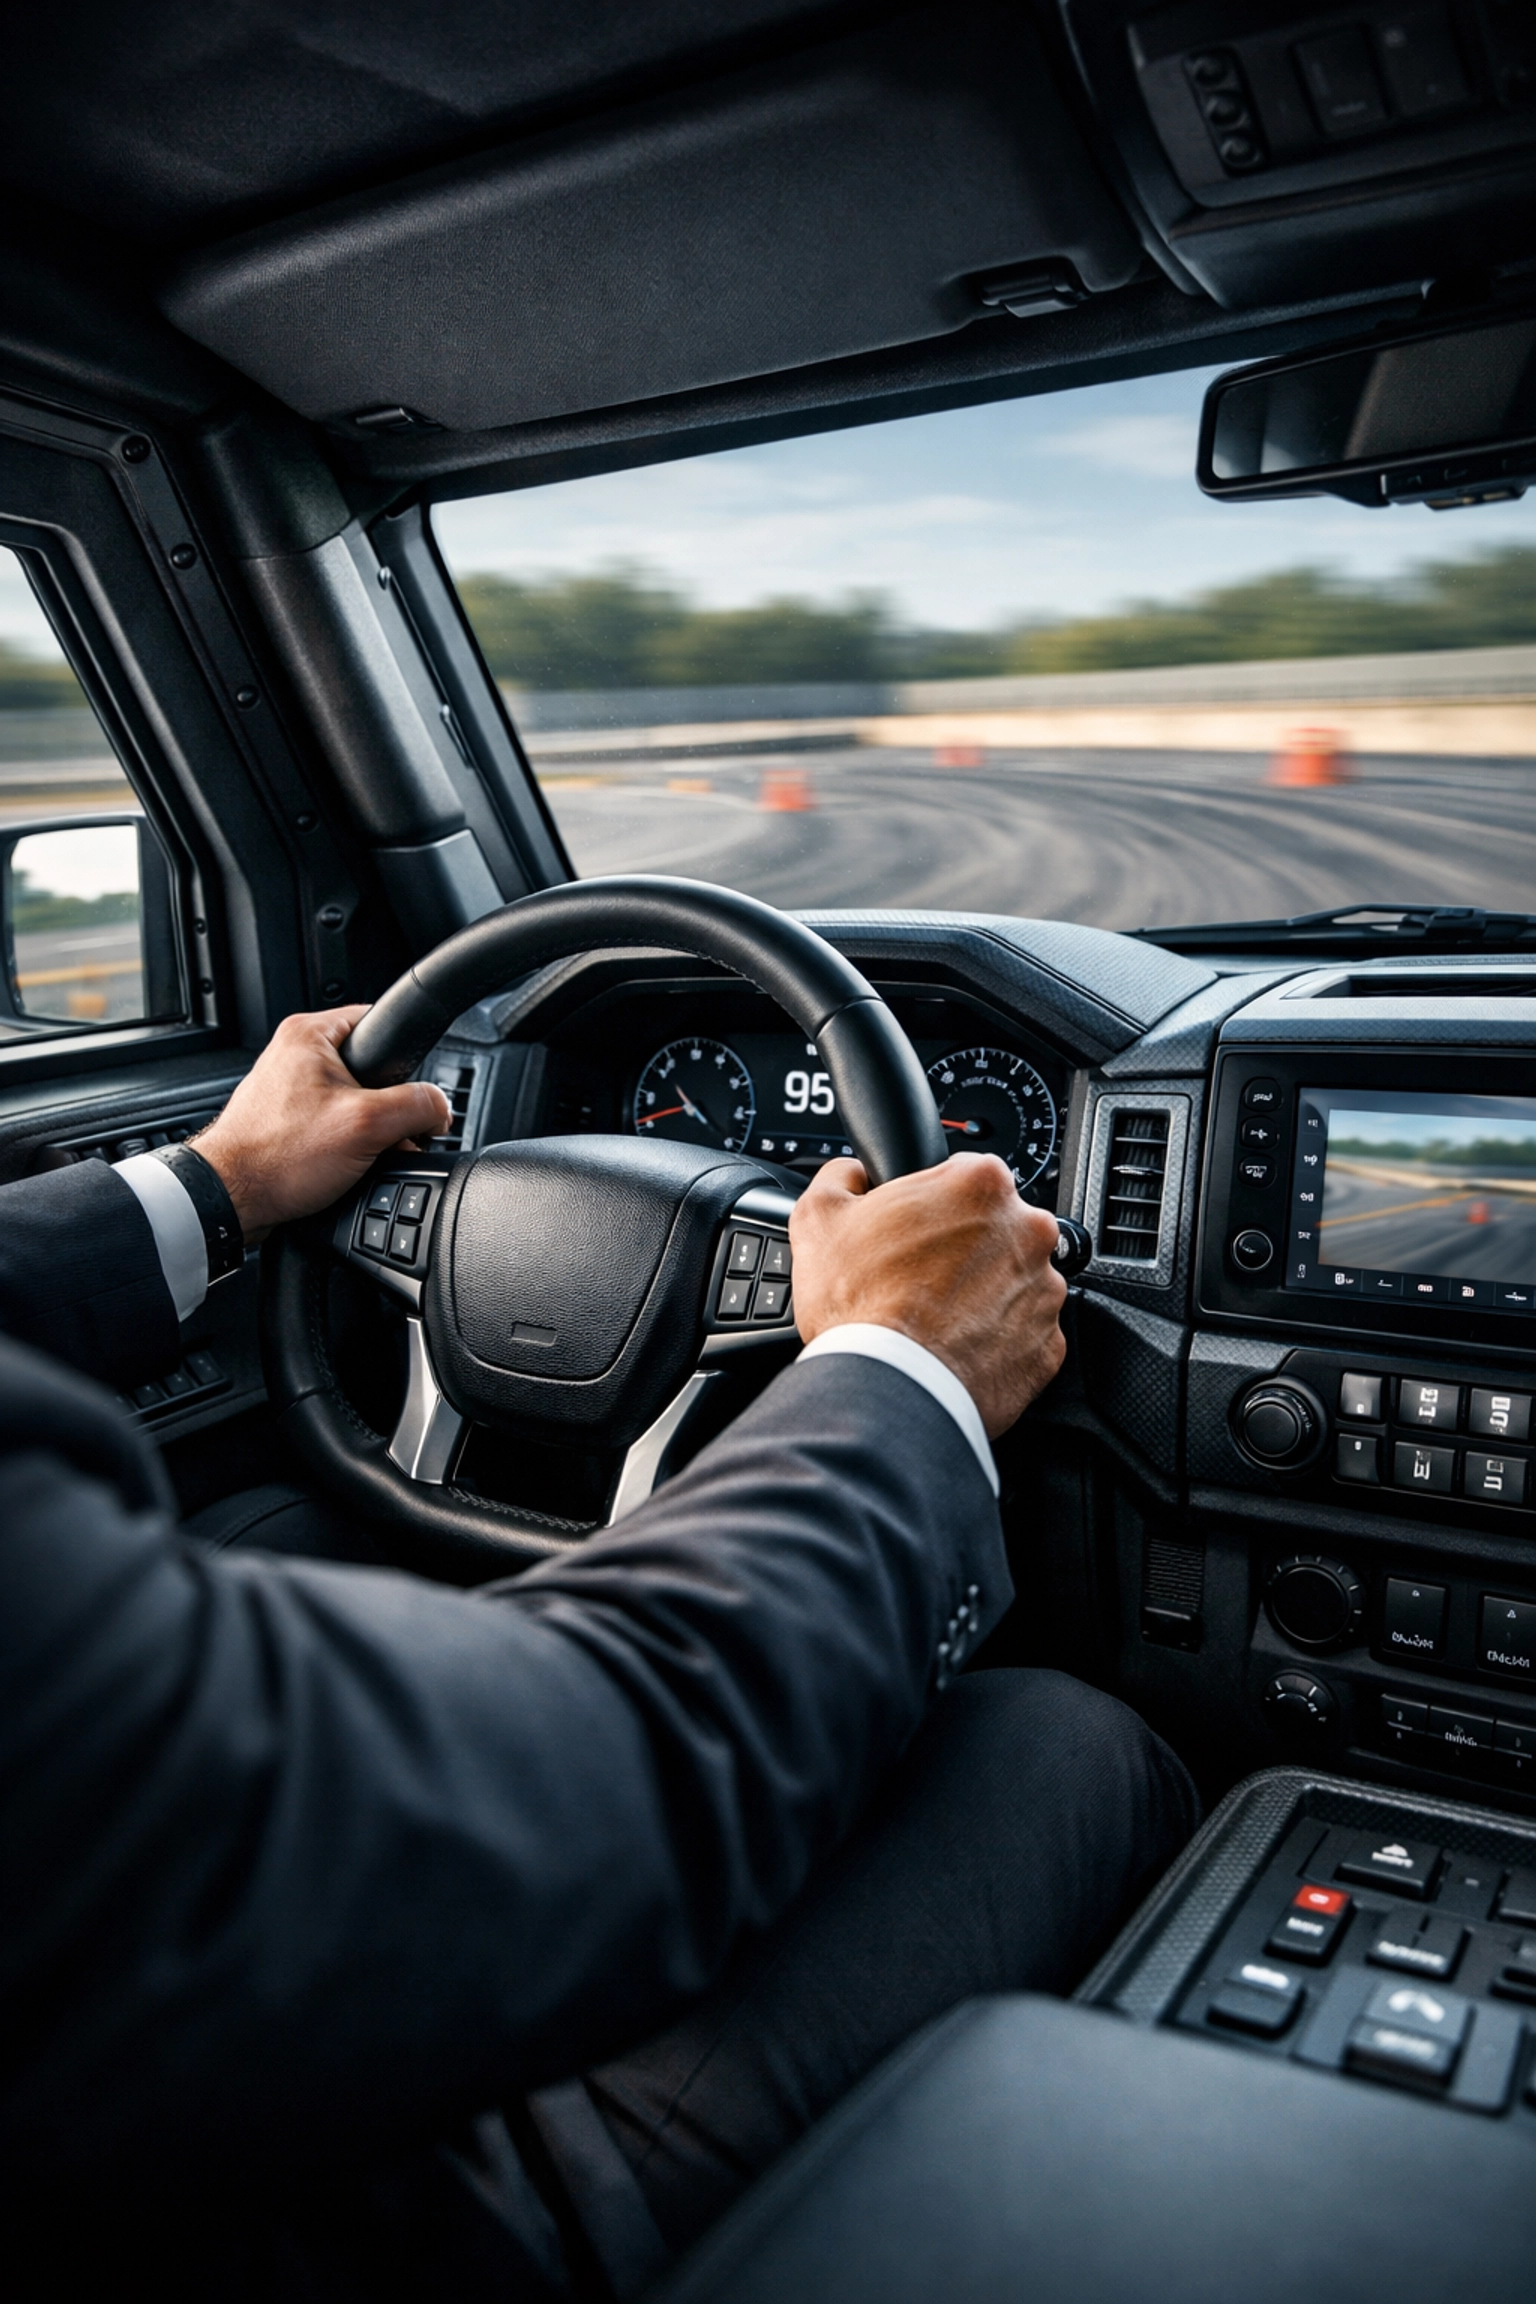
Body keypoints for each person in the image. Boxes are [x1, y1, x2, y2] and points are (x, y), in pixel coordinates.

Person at [0, 1007, 1197, 2300]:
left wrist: (216, 1181)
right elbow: (587, 1786)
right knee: (1062, 1745)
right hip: (343, 2219)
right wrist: (904, 1359)